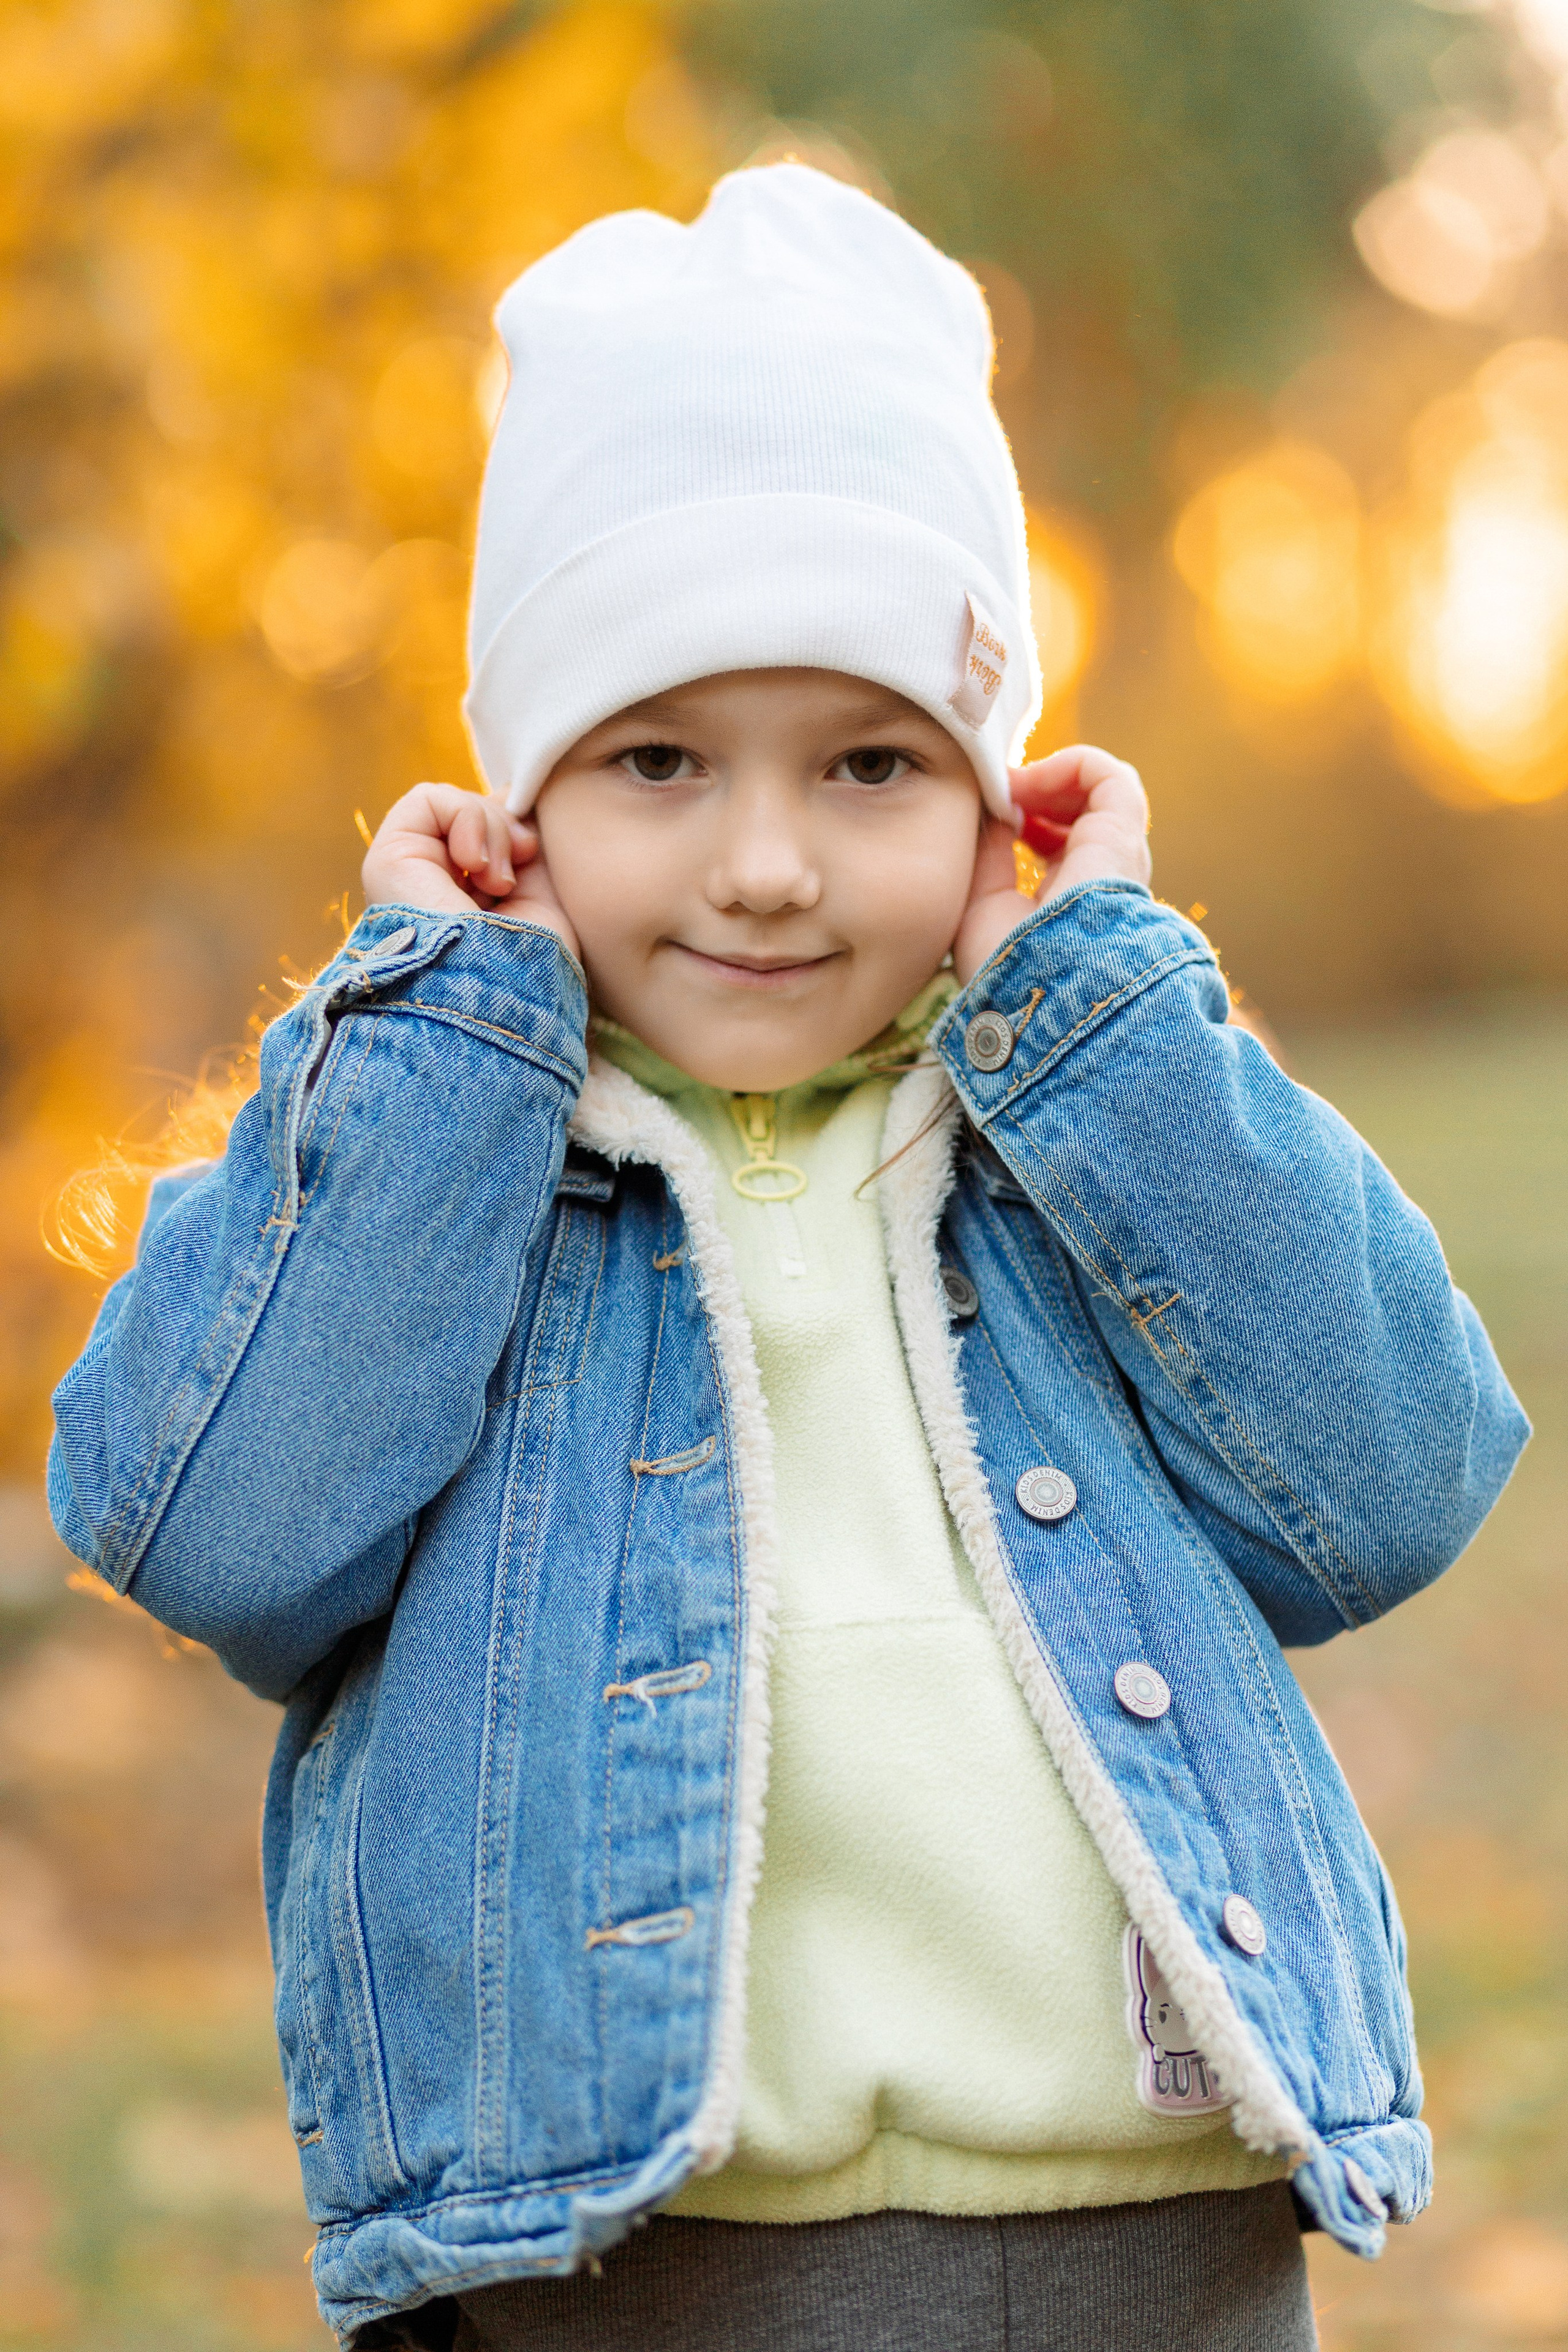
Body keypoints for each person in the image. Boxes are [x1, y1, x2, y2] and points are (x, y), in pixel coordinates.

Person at [47, 165, 1527, 2352]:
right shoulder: (469, 1176)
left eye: (866, 765)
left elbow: (1394, 1470)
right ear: (520, 811)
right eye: (657, 760)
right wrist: (442, 1043)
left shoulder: (1066, 1143)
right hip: (627, 2265)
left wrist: (1104, 1005)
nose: (762, 865)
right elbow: (220, 1532)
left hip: (1166, 2245)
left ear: (994, 799)